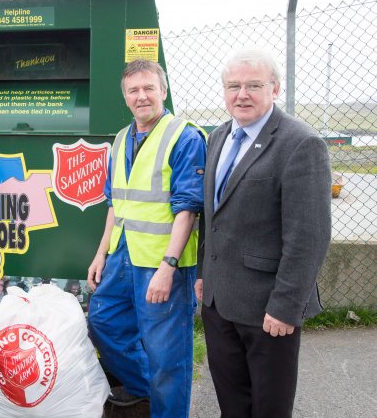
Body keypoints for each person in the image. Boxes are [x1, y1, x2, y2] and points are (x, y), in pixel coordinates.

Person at [196, 49, 331, 418]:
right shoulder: (218, 137)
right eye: (234, 86)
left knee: (269, 409)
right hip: (219, 303)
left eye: (254, 85)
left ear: (275, 88)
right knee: (232, 405)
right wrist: (203, 274)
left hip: (268, 309)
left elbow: (309, 237)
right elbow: (211, 215)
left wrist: (286, 307)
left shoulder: (301, 144)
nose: (242, 94)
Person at [87, 59, 206, 417]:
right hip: (123, 254)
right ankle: (144, 390)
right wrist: (101, 253)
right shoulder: (122, 137)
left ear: (163, 91)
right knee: (103, 320)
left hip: (161, 261)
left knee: (167, 355)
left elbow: (187, 208)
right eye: (133, 91)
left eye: (148, 88)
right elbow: (115, 203)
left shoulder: (184, 136)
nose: (142, 97)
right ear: (125, 98)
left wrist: (168, 266)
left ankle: (167, 410)